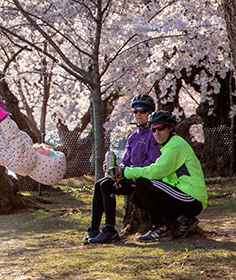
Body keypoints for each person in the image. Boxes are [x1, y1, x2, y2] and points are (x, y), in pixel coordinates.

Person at [110, 110, 208, 243]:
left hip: (191, 198)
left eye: (160, 128)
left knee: (143, 183)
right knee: (137, 197)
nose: (157, 133)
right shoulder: (167, 146)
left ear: (170, 128)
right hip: (184, 197)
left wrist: (126, 172)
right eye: (153, 130)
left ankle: (161, 229)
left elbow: (156, 172)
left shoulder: (176, 145)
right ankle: (181, 219)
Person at [83, 93, 162, 244]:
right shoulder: (132, 137)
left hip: (144, 182)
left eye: (143, 111)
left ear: (150, 113)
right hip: (129, 177)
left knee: (106, 185)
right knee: (100, 183)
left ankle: (110, 229)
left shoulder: (153, 135)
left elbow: (153, 163)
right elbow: (126, 161)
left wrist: (129, 170)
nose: (138, 114)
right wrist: (117, 169)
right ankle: (93, 229)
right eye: (135, 111)